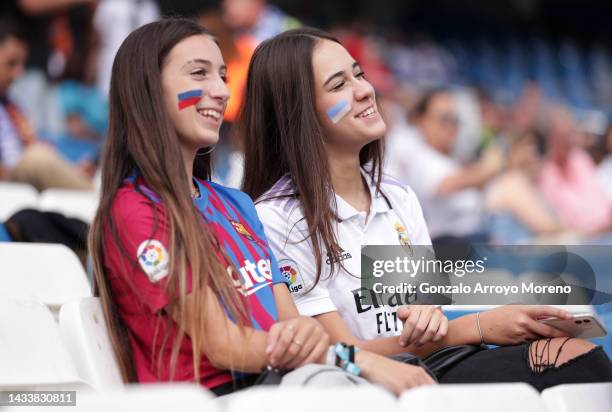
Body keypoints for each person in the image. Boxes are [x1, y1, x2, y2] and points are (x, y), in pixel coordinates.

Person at [241, 27, 612, 390]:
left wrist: (431, 319)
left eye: (359, 75)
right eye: (338, 85)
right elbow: (340, 354)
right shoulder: (277, 218)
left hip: (428, 361)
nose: (365, 91)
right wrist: (479, 325)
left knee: (579, 357)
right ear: (297, 111)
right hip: (358, 384)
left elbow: (418, 318)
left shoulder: (397, 197)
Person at [88, 18, 435, 397]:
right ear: (147, 90)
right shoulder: (137, 210)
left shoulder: (235, 203)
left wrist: (311, 340)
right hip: (216, 396)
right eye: (199, 74)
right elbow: (226, 346)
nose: (221, 91)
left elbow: (295, 326)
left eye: (222, 76)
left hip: (284, 382)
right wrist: (351, 360)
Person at [0, 17, 93, 191]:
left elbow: (35, 143)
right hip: (9, 184)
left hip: (23, 182)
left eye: (21, 64)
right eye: (11, 63)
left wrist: (70, 169)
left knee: (79, 155)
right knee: (37, 158)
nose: (18, 73)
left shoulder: (11, 106)